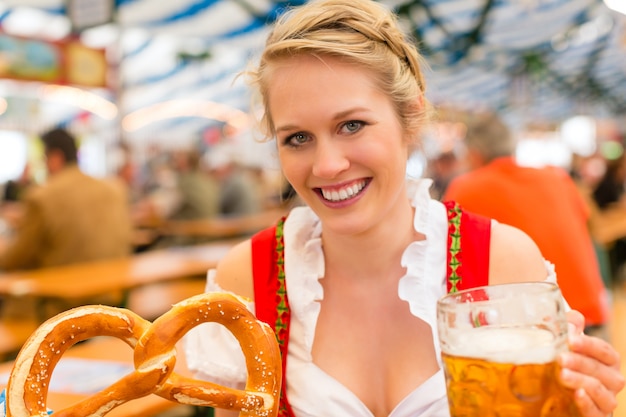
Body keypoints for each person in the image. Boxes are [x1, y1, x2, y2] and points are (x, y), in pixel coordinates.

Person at [184, 0, 624, 416]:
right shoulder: (245, 279)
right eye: (297, 137)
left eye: (351, 125)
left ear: (410, 119)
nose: (327, 165)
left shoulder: (502, 261)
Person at [442, 111, 611, 340]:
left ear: (473, 154)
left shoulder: (466, 188)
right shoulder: (557, 178)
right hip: (593, 313)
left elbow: (442, 257)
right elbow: (593, 226)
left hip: (543, 328)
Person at [0, 127, 133, 270]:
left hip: (60, 289)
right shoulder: (114, 190)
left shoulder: (42, 197)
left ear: (56, 158)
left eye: (44, 159)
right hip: (112, 288)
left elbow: (14, 260)